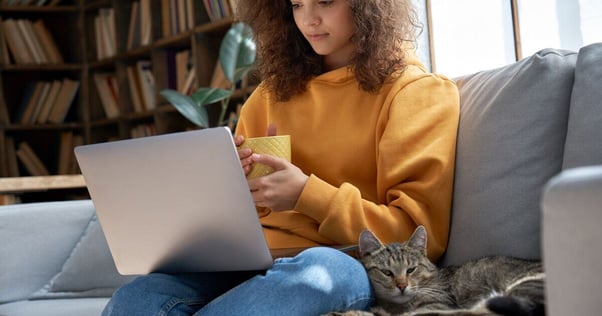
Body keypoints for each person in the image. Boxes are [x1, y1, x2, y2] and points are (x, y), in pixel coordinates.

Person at [102, 0, 459, 315]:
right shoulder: (269, 95)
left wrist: (306, 193)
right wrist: (236, 188)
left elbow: (416, 230)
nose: (309, 20)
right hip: (248, 262)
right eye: (296, 4)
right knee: (135, 299)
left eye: (324, 2)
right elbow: (253, 214)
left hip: (345, 261)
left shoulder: (417, 92)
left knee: (317, 277)